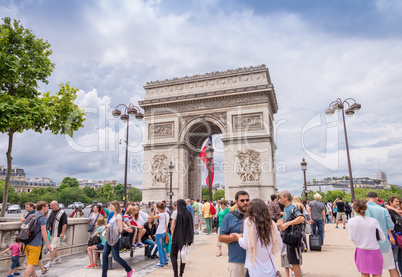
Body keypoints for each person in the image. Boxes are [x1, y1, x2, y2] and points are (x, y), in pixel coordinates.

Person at [232, 199, 282, 277]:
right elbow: (279, 242)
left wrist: (238, 237)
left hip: (255, 269)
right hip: (270, 269)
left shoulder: (249, 221)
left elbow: (245, 244)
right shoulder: (271, 223)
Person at [348, 199, 385, 277]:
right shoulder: (373, 221)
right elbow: (382, 238)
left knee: (364, 273)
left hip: (361, 250)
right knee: (377, 273)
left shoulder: (351, 221)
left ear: (354, 209)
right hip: (374, 250)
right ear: (365, 208)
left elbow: (351, 238)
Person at [366, 192, 398, 277]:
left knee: (373, 270)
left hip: (367, 243)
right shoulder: (383, 210)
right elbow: (391, 226)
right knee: (392, 267)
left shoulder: (362, 209)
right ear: (377, 199)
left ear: (367, 199)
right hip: (383, 242)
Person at [219, 191, 249, 277]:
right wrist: (237, 238)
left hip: (254, 261)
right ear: (236, 202)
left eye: (247, 200)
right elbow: (221, 238)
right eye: (242, 200)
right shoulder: (229, 217)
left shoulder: (254, 216)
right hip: (236, 260)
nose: (245, 202)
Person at [102, 200, 134, 277]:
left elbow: (119, 229)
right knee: (104, 255)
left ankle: (129, 269)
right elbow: (113, 225)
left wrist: (111, 227)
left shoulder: (119, 215)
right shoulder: (113, 214)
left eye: (111, 206)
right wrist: (107, 226)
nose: (110, 207)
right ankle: (104, 275)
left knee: (116, 258)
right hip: (110, 238)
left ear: (116, 206)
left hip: (115, 238)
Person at [277, 190, 305, 277]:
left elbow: (301, 218)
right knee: (292, 263)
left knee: (295, 263)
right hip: (290, 239)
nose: (279, 199)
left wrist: (287, 224)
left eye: (280, 197)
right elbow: (282, 220)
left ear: (286, 198)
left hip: (293, 239)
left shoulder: (292, 207)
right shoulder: (287, 208)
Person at [24, 201, 52, 277]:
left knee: (31, 263)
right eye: (47, 206)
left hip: (26, 242)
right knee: (30, 264)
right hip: (35, 244)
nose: (48, 207)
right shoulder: (42, 218)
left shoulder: (31, 216)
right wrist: (48, 244)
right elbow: (44, 233)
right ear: (43, 207)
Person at [171, 199, 194, 277]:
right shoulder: (188, 214)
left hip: (176, 236)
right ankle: (181, 273)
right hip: (184, 238)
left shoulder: (175, 213)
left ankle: (175, 274)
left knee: (173, 255)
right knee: (183, 255)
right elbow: (190, 227)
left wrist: (172, 235)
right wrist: (189, 239)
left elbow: (172, 226)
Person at [44, 201, 67, 269]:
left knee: (53, 247)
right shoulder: (51, 212)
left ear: (57, 205)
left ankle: (50, 262)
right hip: (51, 232)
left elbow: (64, 224)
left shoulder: (62, 213)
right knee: (54, 246)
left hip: (58, 233)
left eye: (52, 206)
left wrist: (62, 233)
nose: (51, 207)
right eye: (50, 206)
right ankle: (56, 257)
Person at [386, 196, 402, 275]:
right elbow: (387, 225)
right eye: (396, 201)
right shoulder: (388, 211)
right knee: (394, 257)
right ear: (390, 202)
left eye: (398, 201)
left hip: (400, 237)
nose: (398, 203)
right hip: (394, 236)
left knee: (400, 257)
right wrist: (390, 236)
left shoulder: (397, 211)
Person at [152, 202, 170, 268]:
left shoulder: (161, 215)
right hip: (164, 232)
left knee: (159, 248)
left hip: (159, 232)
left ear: (159, 208)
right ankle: (165, 260)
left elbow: (152, 217)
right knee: (162, 248)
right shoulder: (167, 214)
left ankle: (161, 263)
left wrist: (154, 209)